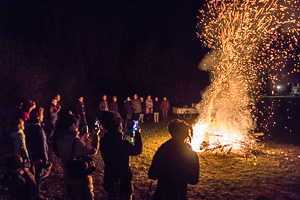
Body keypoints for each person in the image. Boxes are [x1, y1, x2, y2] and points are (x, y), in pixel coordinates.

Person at [148, 119, 199, 200]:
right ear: (185, 134)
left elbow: (152, 174)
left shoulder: (163, 149)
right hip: (179, 194)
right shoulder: (191, 154)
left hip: (162, 194)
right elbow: (193, 180)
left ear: (171, 132)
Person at [54, 111, 99, 200]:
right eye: (75, 124)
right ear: (70, 126)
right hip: (80, 178)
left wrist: (80, 138)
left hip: (68, 175)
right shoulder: (76, 141)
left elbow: (72, 149)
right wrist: (96, 137)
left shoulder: (59, 140)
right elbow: (92, 151)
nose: (77, 126)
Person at [100, 111, 142, 200]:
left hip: (110, 176)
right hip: (123, 178)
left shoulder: (104, 141)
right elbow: (137, 150)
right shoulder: (122, 142)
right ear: (119, 125)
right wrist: (137, 133)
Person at [26, 107, 51, 199]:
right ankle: (36, 195)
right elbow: (43, 146)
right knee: (38, 177)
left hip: (31, 156)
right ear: (38, 116)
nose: (43, 116)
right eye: (42, 115)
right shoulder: (39, 130)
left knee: (33, 178)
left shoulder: (28, 127)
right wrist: (46, 160)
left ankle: (33, 194)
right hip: (39, 158)